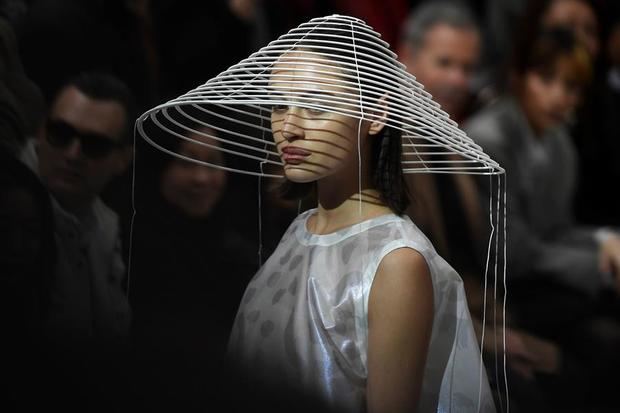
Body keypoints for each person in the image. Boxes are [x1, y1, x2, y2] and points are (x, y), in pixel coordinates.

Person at [139, 16, 499, 413]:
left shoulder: (396, 261)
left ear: (376, 115)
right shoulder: (300, 229)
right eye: (279, 104)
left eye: (314, 106)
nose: (287, 127)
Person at [464, 27, 620, 412]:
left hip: (539, 283)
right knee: (605, 336)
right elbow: (511, 252)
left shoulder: (556, 138)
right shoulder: (491, 138)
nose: (559, 97)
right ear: (519, 76)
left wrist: (605, 241)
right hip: (501, 293)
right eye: (546, 79)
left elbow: (558, 229)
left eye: (571, 87)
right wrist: (599, 261)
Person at [129, 126, 257, 409]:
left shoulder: (241, 255)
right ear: (160, 167)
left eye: (213, 163)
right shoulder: (130, 245)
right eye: (186, 162)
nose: (201, 178)